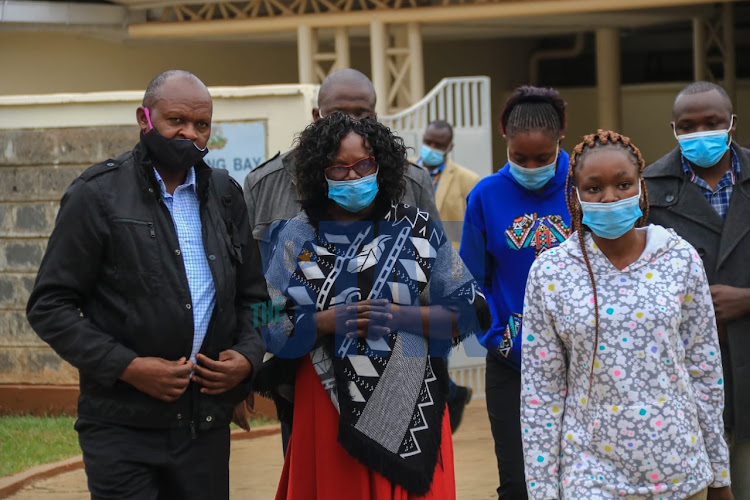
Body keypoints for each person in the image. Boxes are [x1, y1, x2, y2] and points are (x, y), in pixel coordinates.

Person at [25, 70, 269, 500]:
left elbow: (256, 297)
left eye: (202, 125)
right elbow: (50, 306)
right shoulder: (96, 195)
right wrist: (129, 367)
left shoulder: (226, 195)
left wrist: (248, 358)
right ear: (144, 118)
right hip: (122, 428)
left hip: (204, 427)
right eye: (176, 120)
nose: (189, 134)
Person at [262, 113, 491, 499]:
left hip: (412, 404)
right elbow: (265, 320)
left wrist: (400, 317)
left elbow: (469, 308)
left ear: (381, 166)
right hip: (326, 408)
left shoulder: (416, 228)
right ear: (320, 173)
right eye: (340, 168)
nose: (353, 177)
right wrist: (324, 322)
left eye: (363, 165)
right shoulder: (294, 236)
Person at [521, 129, 732, 500]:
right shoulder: (550, 272)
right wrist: (542, 492)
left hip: (680, 472)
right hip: (591, 477)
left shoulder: (678, 259)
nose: (609, 197)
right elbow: (541, 393)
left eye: (622, 184)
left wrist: (719, 475)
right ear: (575, 195)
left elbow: (705, 373)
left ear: (641, 187)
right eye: (593, 188)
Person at [244, 67, 441, 453]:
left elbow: (438, 287)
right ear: (316, 117)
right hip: (304, 384)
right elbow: (252, 295)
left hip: (398, 385)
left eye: (363, 114)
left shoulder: (411, 183)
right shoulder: (264, 185)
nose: (352, 124)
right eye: (339, 114)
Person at [460, 85, 571, 499]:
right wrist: (498, 336)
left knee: (580, 475)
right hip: (512, 364)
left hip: (583, 362)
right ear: (503, 136)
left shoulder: (585, 185)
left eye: (543, 159)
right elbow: (473, 281)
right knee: (519, 482)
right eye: (519, 158)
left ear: (562, 135)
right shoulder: (486, 195)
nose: (531, 167)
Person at [645, 81, 750, 500]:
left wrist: (746, 299)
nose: (700, 132)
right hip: (682, 366)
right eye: (688, 126)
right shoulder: (647, 189)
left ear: (732, 124)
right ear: (673, 129)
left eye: (712, 122)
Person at [414, 118, 480, 432]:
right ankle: (454, 393)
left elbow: (473, 232)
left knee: (438, 352)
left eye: (439, 145)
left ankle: (442, 403)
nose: (432, 149)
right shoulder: (404, 176)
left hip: (444, 279)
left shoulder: (468, 181)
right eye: (429, 142)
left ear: (449, 147)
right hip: (407, 278)